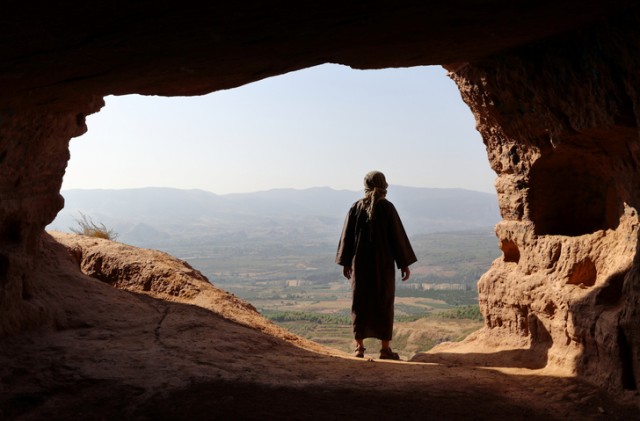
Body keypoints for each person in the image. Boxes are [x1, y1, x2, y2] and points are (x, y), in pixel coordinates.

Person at [336, 171, 417, 360]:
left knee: (360, 302)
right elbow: (398, 238)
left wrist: (346, 262)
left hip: (361, 264)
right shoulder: (388, 208)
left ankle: (359, 348)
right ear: (383, 185)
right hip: (383, 264)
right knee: (384, 302)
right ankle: (385, 349)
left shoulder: (356, 207)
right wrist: (403, 263)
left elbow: (347, 238)